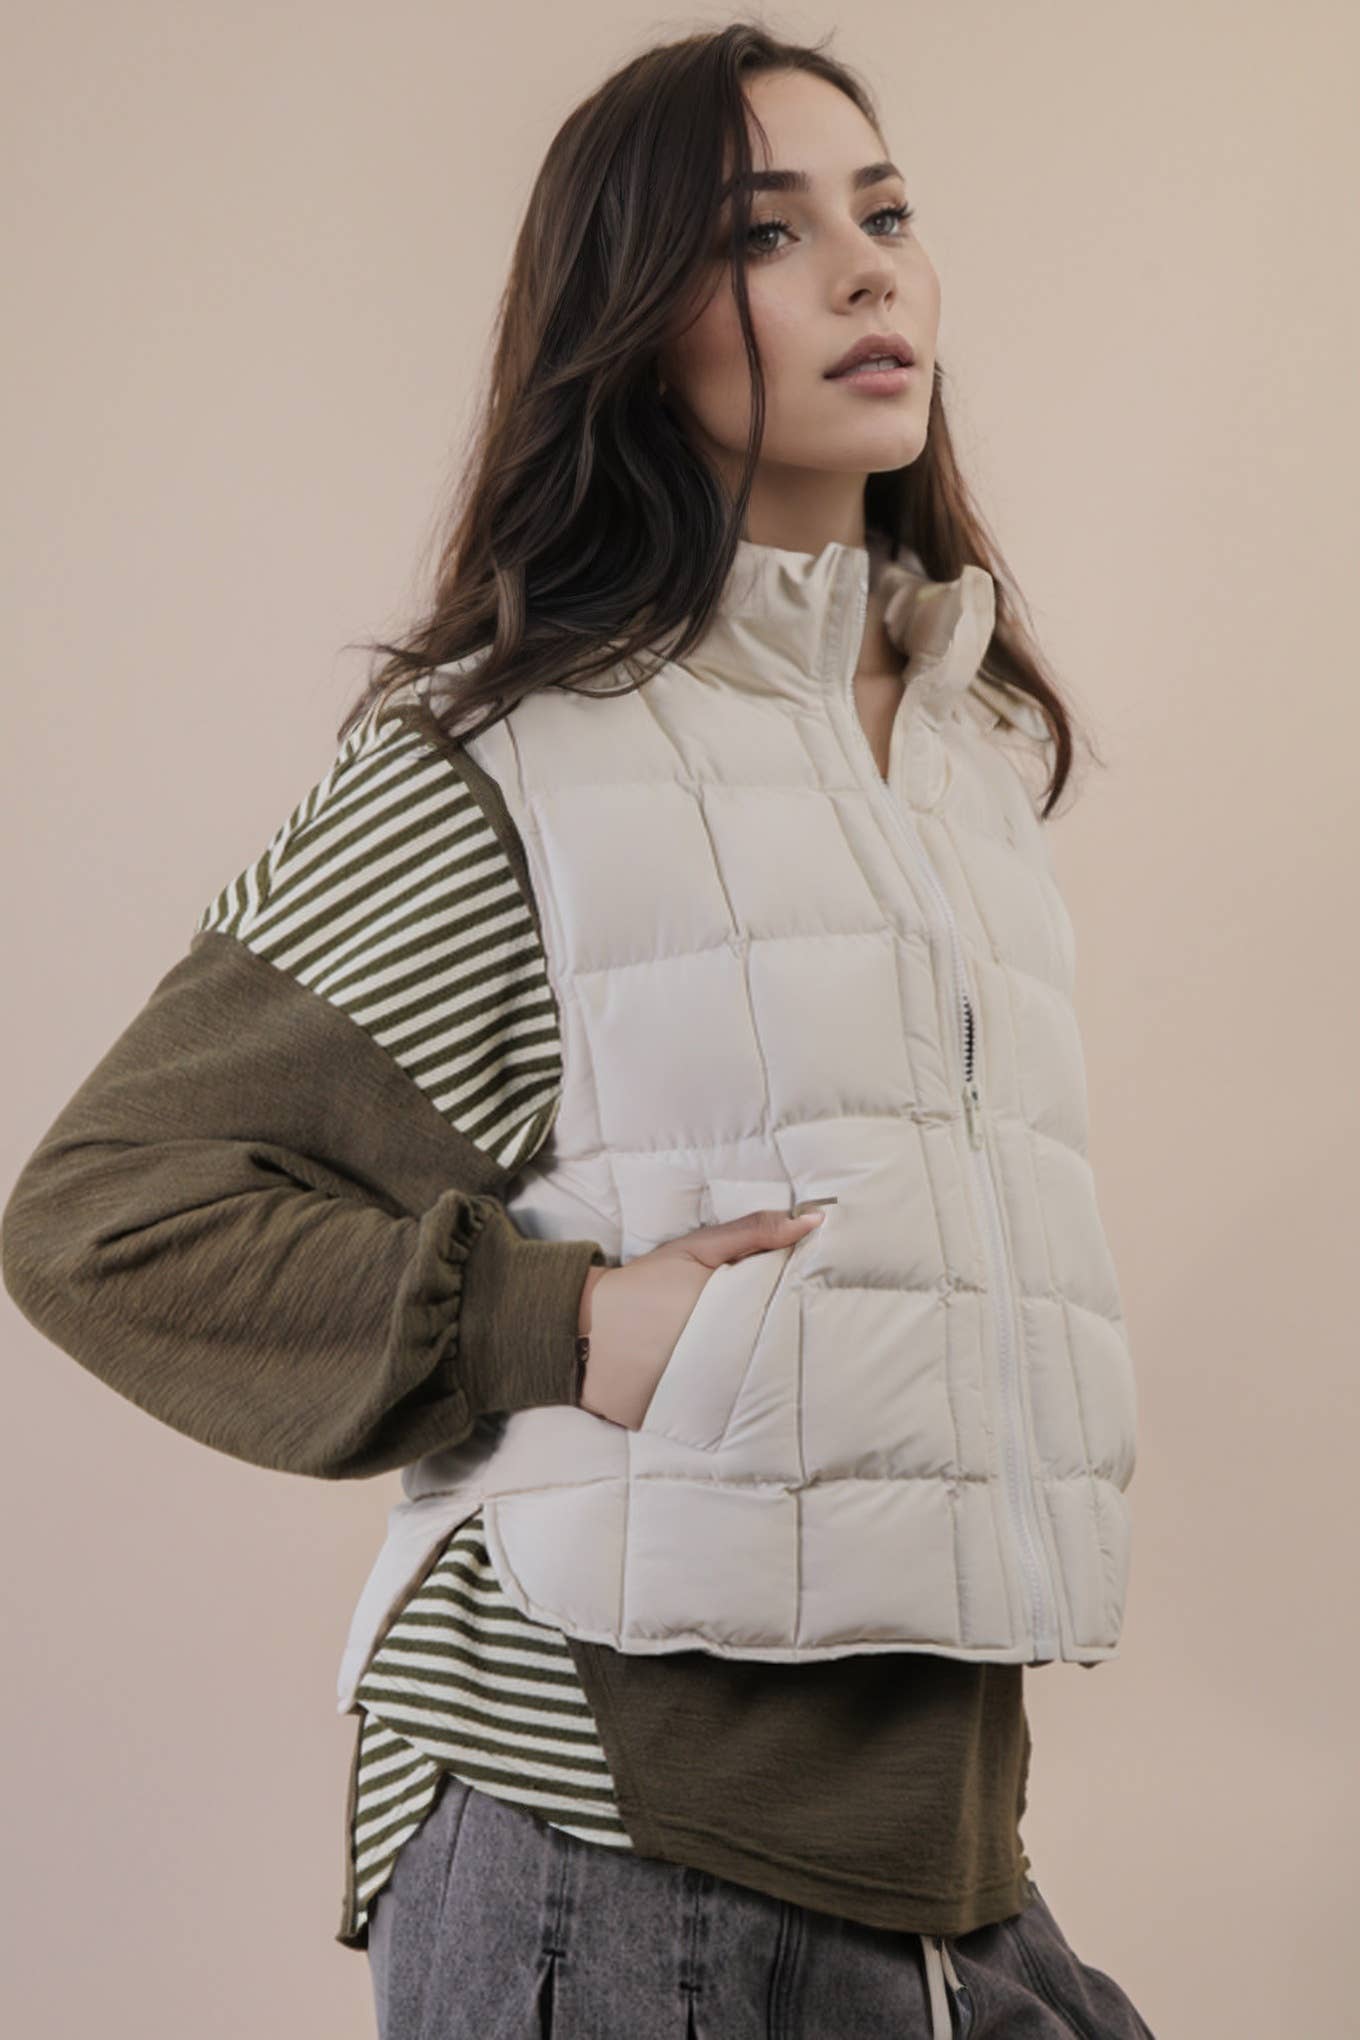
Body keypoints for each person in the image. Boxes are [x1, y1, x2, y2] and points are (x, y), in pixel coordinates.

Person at [1, 20, 1159, 2039]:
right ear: (628, 325)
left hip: (935, 1860)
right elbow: (103, 1212)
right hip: (600, 1839)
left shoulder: (961, 749)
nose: (866, 273)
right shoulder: (511, 760)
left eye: (884, 215)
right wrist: (562, 1324)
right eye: (766, 233)